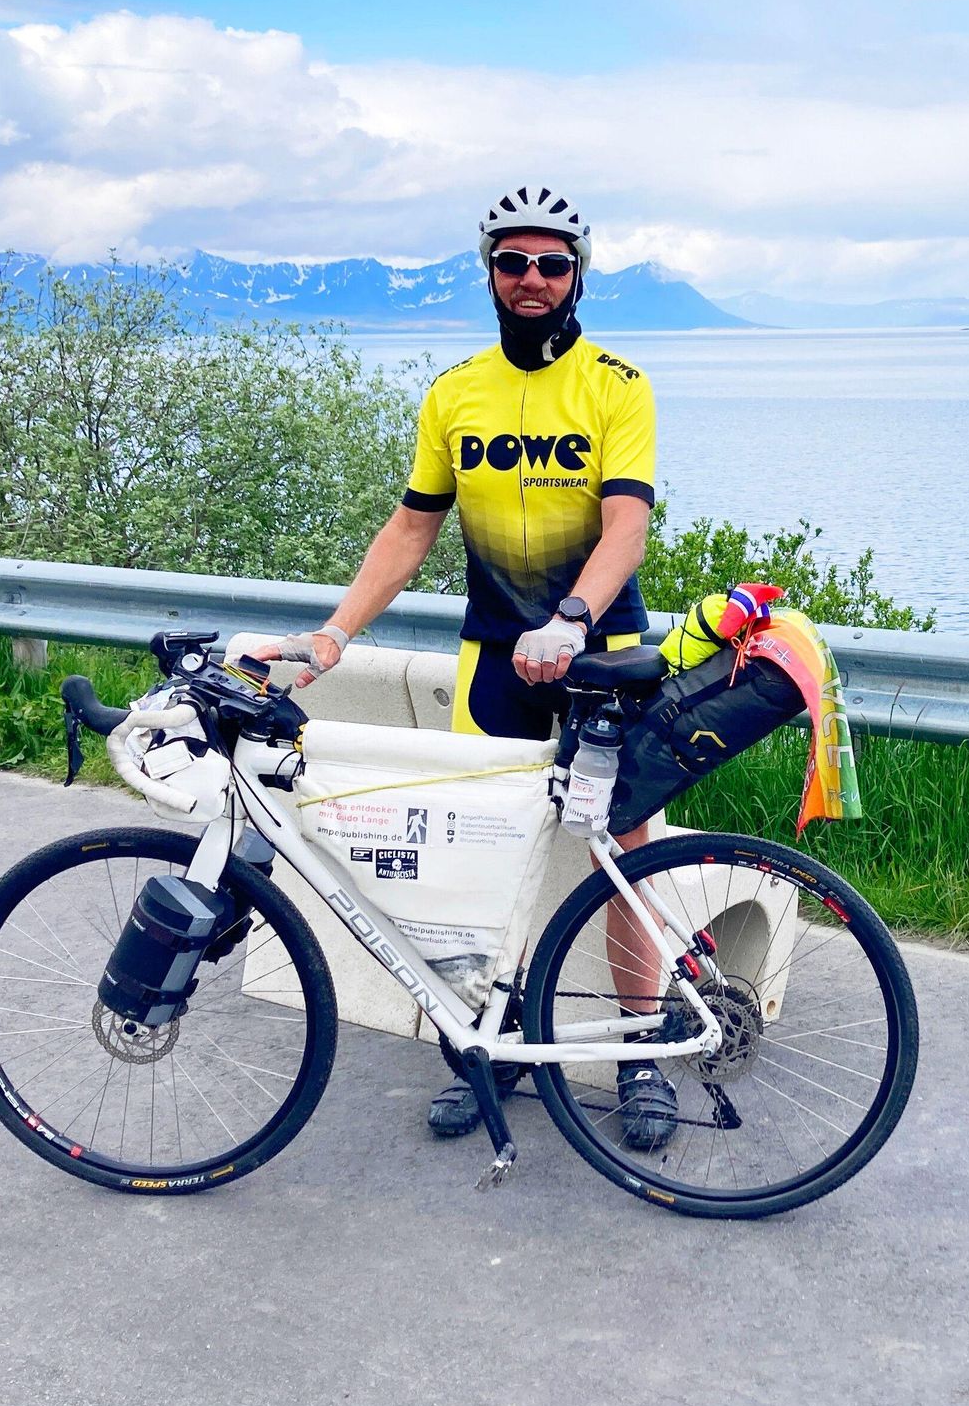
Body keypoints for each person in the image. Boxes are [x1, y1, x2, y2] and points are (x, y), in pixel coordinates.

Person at [252, 185, 678, 1151]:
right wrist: (334, 635)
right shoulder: (455, 392)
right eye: (512, 262)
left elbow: (626, 526)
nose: (532, 280)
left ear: (578, 275)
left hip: (600, 653)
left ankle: (642, 1053)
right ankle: (497, 1044)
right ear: (488, 272)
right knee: (483, 857)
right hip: (494, 657)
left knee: (624, 855)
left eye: (552, 263)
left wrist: (572, 619)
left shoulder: (618, 385)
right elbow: (411, 528)